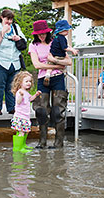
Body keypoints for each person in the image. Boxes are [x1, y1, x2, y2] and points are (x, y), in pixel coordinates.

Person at [28, 20, 72, 149]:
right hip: (43, 79)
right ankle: (42, 142)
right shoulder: (33, 45)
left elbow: (68, 61)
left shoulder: (56, 41)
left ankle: (59, 143)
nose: (42, 36)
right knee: (41, 110)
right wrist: (57, 65)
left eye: (44, 33)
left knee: (58, 110)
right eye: (39, 34)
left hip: (58, 78)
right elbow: (37, 65)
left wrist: (54, 61)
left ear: (48, 32)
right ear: (36, 34)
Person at [0, 9, 26, 115]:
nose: (9, 21)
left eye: (11, 19)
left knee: (12, 85)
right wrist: (3, 32)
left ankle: (12, 107)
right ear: (2, 17)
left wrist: (17, 38)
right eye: (7, 19)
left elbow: (24, 41)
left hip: (14, 61)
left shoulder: (16, 27)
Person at [10, 71, 41, 154]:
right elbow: (18, 102)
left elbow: (30, 99)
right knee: (21, 132)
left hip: (25, 116)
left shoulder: (26, 93)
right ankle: (18, 148)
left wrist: (36, 95)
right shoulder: (20, 92)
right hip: (20, 116)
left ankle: (22, 145)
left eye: (30, 81)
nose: (29, 83)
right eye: (26, 81)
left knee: (25, 131)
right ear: (20, 82)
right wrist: (20, 95)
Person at [44, 20, 78, 86]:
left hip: (52, 55)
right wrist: (72, 50)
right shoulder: (62, 38)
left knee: (50, 66)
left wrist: (70, 48)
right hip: (60, 56)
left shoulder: (55, 37)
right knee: (62, 67)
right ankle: (64, 73)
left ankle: (47, 74)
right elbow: (64, 47)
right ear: (62, 30)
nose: (68, 32)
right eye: (66, 30)